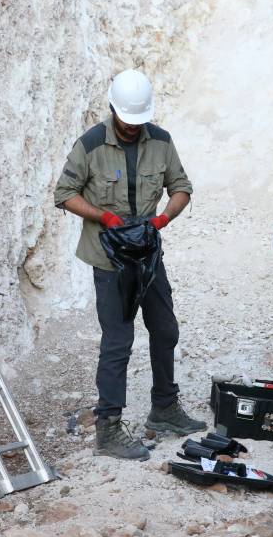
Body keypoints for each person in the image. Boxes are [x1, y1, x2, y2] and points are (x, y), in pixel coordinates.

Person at [53, 69, 206, 461]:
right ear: (112, 110)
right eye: (126, 122)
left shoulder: (161, 142)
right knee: (118, 340)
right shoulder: (89, 145)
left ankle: (165, 408)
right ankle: (108, 428)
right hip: (109, 259)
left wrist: (161, 220)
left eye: (138, 122)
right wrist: (105, 218)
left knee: (165, 328)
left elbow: (182, 187)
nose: (132, 129)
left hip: (148, 255)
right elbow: (64, 193)